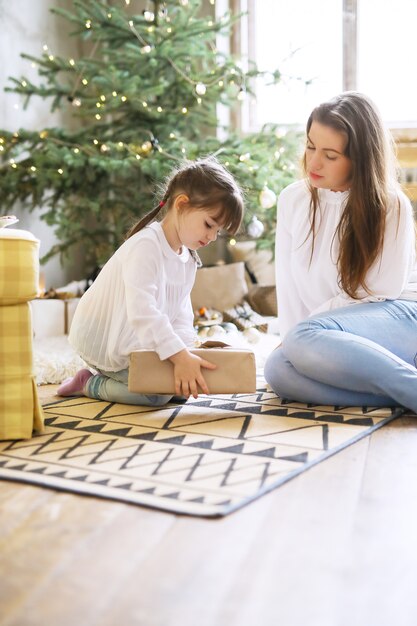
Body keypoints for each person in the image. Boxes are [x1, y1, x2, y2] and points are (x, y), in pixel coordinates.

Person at [264, 91, 417, 413]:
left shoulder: (390, 205)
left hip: (399, 317)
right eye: (310, 146)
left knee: (300, 339)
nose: (314, 162)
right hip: (328, 335)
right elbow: (288, 283)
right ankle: (401, 393)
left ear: (360, 160)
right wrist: (293, 336)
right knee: (278, 369)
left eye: (330, 155)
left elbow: (381, 290)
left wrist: (305, 333)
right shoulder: (293, 199)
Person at [57, 157, 244, 405]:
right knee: (155, 395)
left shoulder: (188, 258)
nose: (211, 237)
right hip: (108, 341)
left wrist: (186, 354)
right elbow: (142, 312)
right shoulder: (146, 246)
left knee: (182, 387)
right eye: (209, 224)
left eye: (217, 231)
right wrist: (178, 357)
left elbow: (181, 314)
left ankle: (161, 375)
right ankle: (89, 383)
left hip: (142, 339)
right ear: (181, 204)